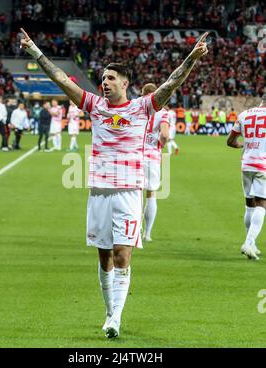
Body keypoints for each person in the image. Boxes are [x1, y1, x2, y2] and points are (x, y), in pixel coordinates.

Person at [20, 27, 209, 338]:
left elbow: (171, 83)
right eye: (103, 78)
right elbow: (61, 80)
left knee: (122, 254)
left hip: (128, 193)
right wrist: (34, 51)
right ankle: (110, 311)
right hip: (98, 192)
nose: (104, 83)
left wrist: (191, 57)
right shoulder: (94, 106)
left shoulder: (142, 107)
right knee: (104, 256)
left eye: (110, 79)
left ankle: (115, 319)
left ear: (125, 83)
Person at [227, 94, 266, 260]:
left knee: (249, 205)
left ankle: (252, 244)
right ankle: (249, 243)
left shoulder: (245, 114)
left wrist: (243, 145)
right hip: (263, 164)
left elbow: (230, 141)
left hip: (246, 163)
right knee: (262, 204)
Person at [142, 83, 169, 242]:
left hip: (135, 155)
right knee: (151, 194)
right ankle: (148, 233)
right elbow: (164, 134)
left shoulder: (135, 105)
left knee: (135, 193)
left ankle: (134, 231)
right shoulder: (162, 112)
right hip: (152, 156)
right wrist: (161, 144)